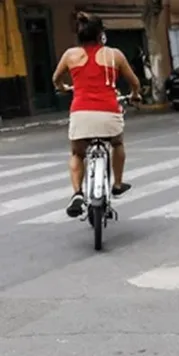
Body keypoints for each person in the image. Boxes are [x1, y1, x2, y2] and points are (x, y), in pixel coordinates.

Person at [51, 12, 141, 219]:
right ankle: (117, 184)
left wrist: (64, 87)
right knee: (117, 144)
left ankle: (77, 194)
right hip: (109, 113)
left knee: (77, 154)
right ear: (101, 34)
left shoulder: (70, 56)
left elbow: (56, 79)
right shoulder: (114, 55)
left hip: (81, 113)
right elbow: (134, 82)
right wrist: (135, 95)